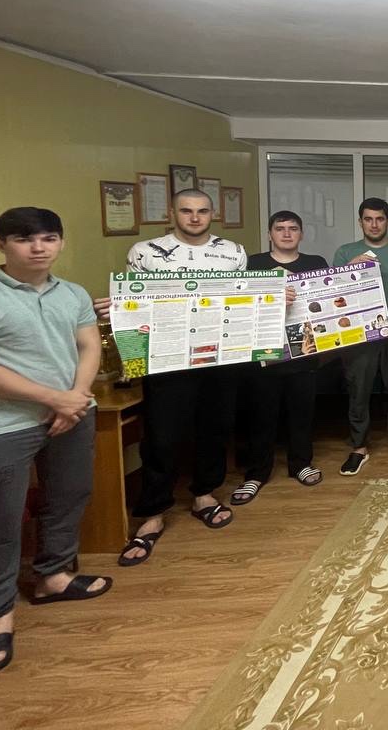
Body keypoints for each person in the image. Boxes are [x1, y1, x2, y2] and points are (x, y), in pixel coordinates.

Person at [97, 189, 248, 566]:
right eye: (186, 211)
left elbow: (244, 298)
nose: (195, 217)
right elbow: (133, 303)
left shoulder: (233, 252)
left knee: (214, 429)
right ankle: (153, 512)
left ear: (213, 213)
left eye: (202, 211)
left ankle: (204, 495)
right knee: (162, 435)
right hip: (166, 357)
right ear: (172, 213)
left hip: (219, 354)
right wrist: (117, 308)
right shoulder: (145, 252)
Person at [0, 208, 110, 675]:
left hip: (73, 414)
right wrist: (54, 399)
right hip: (5, 423)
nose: (38, 248)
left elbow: (89, 346)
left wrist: (75, 399)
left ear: (60, 242)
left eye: (48, 238)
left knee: (69, 496)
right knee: (1, 519)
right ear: (1, 244)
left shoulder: (73, 293)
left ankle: (53, 577)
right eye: (24, 239)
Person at [230, 211, 328, 504]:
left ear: (301, 234)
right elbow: (238, 302)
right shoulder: (253, 264)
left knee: (302, 413)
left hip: (303, 347)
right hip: (264, 348)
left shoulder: (315, 263)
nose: (286, 233)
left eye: (293, 228)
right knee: (262, 414)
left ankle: (301, 464)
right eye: (280, 228)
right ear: (269, 234)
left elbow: (326, 301)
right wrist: (271, 297)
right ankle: (256, 473)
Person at [334, 198, 388, 476]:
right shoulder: (346, 252)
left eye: (379, 219)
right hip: (360, 335)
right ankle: (358, 447)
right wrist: (348, 271)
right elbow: (334, 296)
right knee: (358, 390)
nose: (374, 224)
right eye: (368, 219)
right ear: (360, 222)